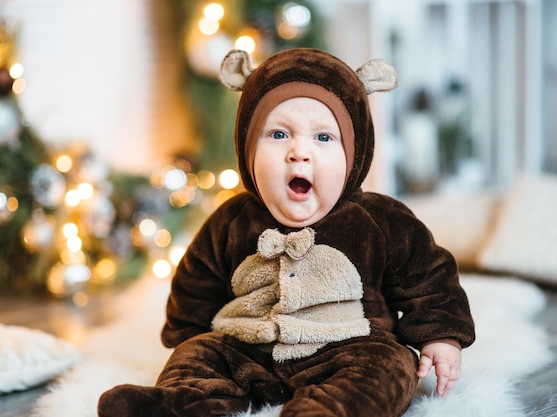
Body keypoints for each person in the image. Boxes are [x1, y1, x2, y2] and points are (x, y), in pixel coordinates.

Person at [97, 48, 475, 417]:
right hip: (245, 348)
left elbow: (429, 276)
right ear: (247, 149)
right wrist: (188, 337)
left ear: (354, 155)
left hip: (348, 345)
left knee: (389, 364)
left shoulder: (379, 219)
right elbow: (195, 283)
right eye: (278, 135)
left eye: (323, 138)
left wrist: (441, 336)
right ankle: (183, 403)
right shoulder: (231, 220)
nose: (299, 152)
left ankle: (327, 410)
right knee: (198, 356)